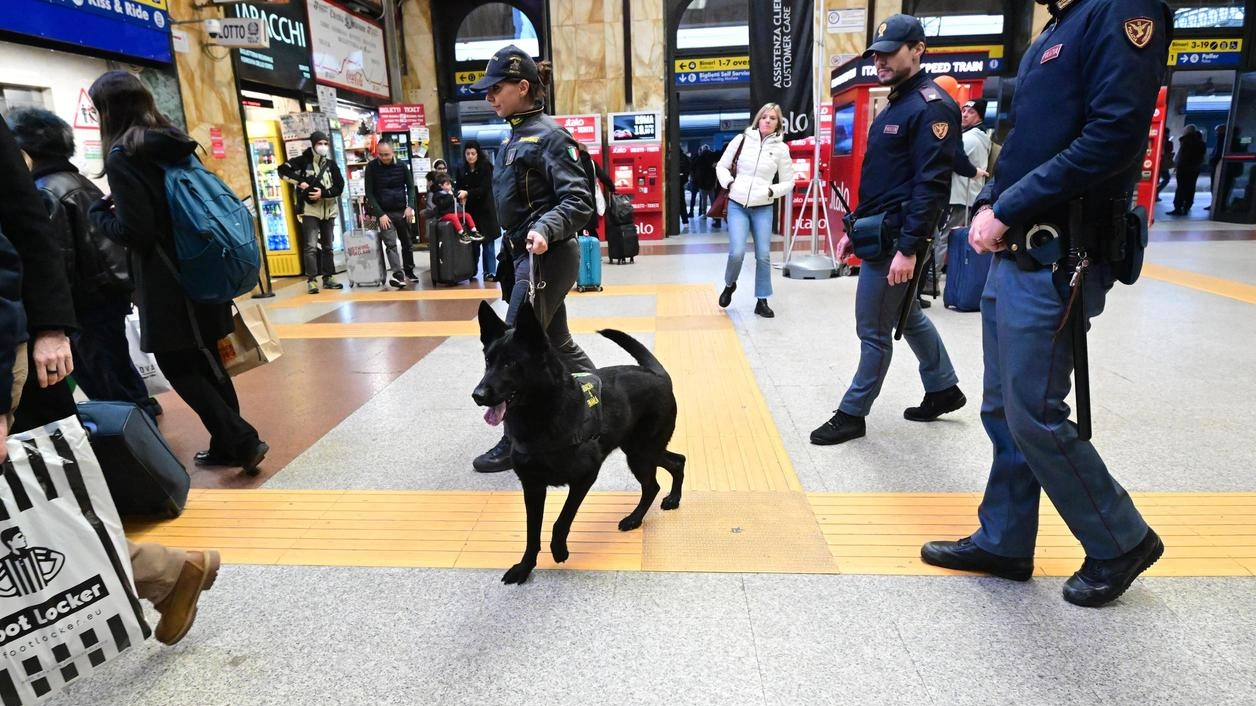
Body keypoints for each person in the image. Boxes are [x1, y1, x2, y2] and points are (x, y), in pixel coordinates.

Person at [921, 0, 1170, 608]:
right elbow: (1030, 141)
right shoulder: (1057, 28)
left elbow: (1112, 135)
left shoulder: (1123, 11)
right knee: (1003, 407)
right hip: (1017, 249)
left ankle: (1121, 539)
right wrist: (992, 201)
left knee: (1035, 410)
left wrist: (1008, 206)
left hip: (1059, 250)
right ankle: (1005, 539)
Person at [0, 110, 217, 646]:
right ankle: (162, 571)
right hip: (115, 302)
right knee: (36, 499)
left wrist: (52, 326)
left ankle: (161, 569)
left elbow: (30, 236)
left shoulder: (101, 172)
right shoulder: (98, 175)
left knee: (37, 499)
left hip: (59, 325)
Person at [86, 70, 268, 474]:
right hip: (206, 266)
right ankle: (226, 444)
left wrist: (99, 213)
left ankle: (242, 441)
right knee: (208, 363)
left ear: (107, 111)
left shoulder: (124, 155)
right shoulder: (174, 141)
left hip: (168, 283)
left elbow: (139, 233)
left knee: (180, 366)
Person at [809, 14, 965, 447]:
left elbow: (931, 186)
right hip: (880, 230)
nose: (880, 60)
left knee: (874, 330)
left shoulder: (932, 107)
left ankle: (852, 413)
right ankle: (944, 387)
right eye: (877, 52)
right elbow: (884, 179)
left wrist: (910, 248)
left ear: (917, 49)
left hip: (899, 238)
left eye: (890, 51)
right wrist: (853, 227)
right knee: (906, 314)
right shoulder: (898, 101)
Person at [468, 44, 596, 474]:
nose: (489, 96)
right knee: (557, 342)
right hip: (523, 255)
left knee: (514, 350)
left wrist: (545, 227)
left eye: (496, 88)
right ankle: (602, 399)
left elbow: (580, 201)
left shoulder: (551, 139)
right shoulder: (513, 137)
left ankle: (513, 442)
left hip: (548, 255)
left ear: (523, 87)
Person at [6, 107, 160, 421]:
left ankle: (140, 452)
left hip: (85, 305)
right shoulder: (77, 180)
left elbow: (55, 257)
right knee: (118, 372)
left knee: (108, 384)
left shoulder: (45, 190)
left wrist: (53, 320)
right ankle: (146, 428)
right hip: (107, 295)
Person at [714, 103, 794, 318]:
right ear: (758, 119)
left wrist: (770, 191)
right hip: (737, 204)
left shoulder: (781, 149)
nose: (768, 121)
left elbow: (789, 182)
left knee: (764, 255)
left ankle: (762, 300)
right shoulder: (741, 140)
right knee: (737, 252)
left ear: (778, 123)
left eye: (773, 118)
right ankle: (730, 284)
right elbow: (722, 166)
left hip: (763, 207)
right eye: (764, 117)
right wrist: (730, 184)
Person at [277, 130, 345, 294]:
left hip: (329, 211)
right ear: (313, 145)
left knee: (328, 246)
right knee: (311, 247)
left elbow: (339, 186)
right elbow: (282, 170)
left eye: (325, 144)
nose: (322, 147)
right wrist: (301, 182)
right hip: (310, 211)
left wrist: (324, 193)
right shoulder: (302, 161)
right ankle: (312, 280)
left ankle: (328, 277)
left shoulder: (331, 165)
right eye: (319, 144)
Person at [935, 98, 992, 276]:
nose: (965, 114)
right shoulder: (978, 136)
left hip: (958, 195)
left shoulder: (970, 138)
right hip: (966, 195)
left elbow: (953, 160)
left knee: (942, 237)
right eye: (964, 110)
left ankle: (931, 277)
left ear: (980, 116)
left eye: (971, 112)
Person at [364, 140, 419, 288]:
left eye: (387, 155)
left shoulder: (402, 166)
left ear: (393, 152)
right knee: (390, 244)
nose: (384, 158)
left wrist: (410, 207)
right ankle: (398, 275)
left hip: (402, 210)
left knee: (407, 242)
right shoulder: (371, 167)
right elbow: (369, 193)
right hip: (384, 213)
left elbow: (411, 187)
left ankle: (409, 270)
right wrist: (380, 214)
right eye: (381, 155)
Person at [456, 140, 501, 281]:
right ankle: (471, 270)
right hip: (470, 212)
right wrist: (459, 196)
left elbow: (484, 188)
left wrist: (467, 193)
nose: (470, 156)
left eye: (473, 153)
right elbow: (458, 187)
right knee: (473, 244)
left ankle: (490, 272)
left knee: (488, 243)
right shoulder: (461, 169)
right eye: (467, 153)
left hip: (485, 210)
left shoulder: (486, 167)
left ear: (478, 154)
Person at [577, 143, 615, 239]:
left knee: (578, 229)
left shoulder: (573, 164)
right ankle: (594, 251)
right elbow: (604, 177)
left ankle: (580, 252)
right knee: (591, 230)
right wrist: (612, 188)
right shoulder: (592, 163)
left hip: (576, 201)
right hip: (590, 202)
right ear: (586, 151)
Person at [429, 173, 482, 243]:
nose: (450, 186)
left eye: (450, 184)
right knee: (453, 217)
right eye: (447, 184)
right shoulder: (438, 195)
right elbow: (443, 205)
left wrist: (461, 197)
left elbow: (456, 196)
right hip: (443, 215)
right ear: (441, 186)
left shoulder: (450, 192)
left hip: (452, 213)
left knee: (466, 215)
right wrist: (450, 196)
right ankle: (462, 234)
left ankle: (474, 231)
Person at [1168, 124, 1205, 216]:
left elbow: (1182, 156)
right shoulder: (1201, 142)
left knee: (1181, 188)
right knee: (1191, 187)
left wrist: (1177, 165)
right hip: (1195, 169)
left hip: (1184, 169)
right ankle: (1187, 206)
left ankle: (1178, 207)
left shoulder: (1187, 141)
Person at [694, 144, 721, 227]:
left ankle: (704, 214)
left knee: (704, 200)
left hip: (702, 184)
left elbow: (696, 170)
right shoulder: (713, 158)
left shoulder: (699, 159)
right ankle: (713, 214)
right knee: (713, 200)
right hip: (711, 183)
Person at [1156, 131, 1173, 199]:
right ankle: (1156, 192)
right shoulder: (1166, 140)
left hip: (1159, 162)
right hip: (1163, 162)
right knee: (1167, 178)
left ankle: (1156, 193)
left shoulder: (1160, 138)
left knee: (1157, 179)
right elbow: (1167, 150)